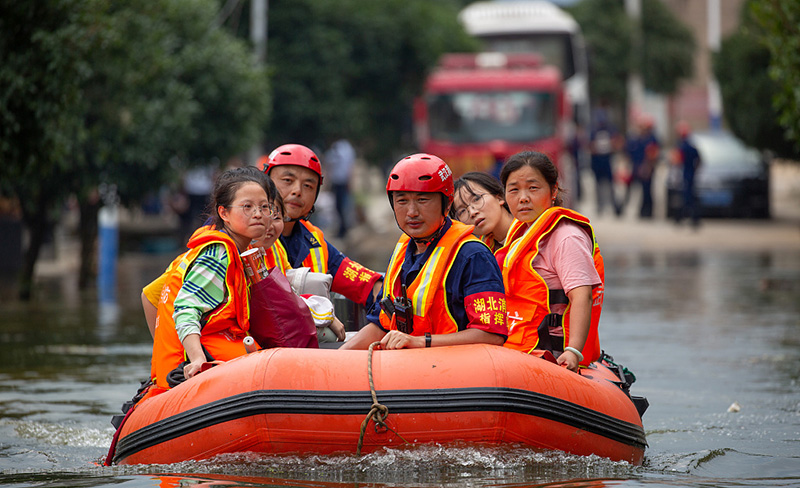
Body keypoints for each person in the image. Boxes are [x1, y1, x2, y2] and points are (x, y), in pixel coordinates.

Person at [341, 154, 508, 350]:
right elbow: (381, 323)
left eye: (422, 200)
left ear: (447, 204)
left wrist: (420, 342)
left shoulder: (472, 255)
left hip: (458, 373)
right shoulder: (403, 252)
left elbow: (491, 334)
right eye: (402, 201)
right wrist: (338, 359)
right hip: (411, 368)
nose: (412, 212)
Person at [150, 167, 277, 388]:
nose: (258, 213)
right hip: (187, 374)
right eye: (247, 207)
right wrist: (198, 358)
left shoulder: (243, 253)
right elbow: (185, 307)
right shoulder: (218, 254)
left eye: (264, 207)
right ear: (224, 213)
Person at [497, 151, 604, 372]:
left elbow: (581, 295)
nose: (523, 197)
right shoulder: (520, 233)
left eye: (533, 188)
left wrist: (573, 351)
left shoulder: (566, 237)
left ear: (553, 190)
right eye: (514, 190)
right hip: (516, 348)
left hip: (550, 355)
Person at [259, 144, 383, 309]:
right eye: (288, 181)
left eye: (308, 186)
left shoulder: (314, 239)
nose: (297, 191)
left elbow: (360, 281)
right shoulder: (245, 232)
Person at [450, 171, 514, 254]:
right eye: (462, 211)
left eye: (476, 199)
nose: (472, 212)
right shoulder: (478, 254)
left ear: (499, 197)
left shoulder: (532, 233)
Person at [589, 110, 621, 216]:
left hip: (607, 160)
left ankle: (614, 206)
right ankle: (600, 206)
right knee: (598, 185)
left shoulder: (610, 130)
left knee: (610, 185)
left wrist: (611, 146)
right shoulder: (594, 131)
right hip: (597, 161)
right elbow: (589, 146)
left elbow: (616, 143)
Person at [323, 138, 356, 238]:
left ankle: (344, 229)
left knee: (341, 206)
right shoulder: (346, 149)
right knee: (341, 206)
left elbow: (330, 167)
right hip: (340, 181)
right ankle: (343, 228)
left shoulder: (339, 150)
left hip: (341, 182)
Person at [674, 121, 702, 228]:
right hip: (690, 174)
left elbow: (677, 162)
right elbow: (699, 160)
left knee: (686, 198)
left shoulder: (681, 147)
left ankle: (685, 218)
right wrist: (695, 170)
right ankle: (690, 218)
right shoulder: (692, 146)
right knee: (690, 197)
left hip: (684, 174)